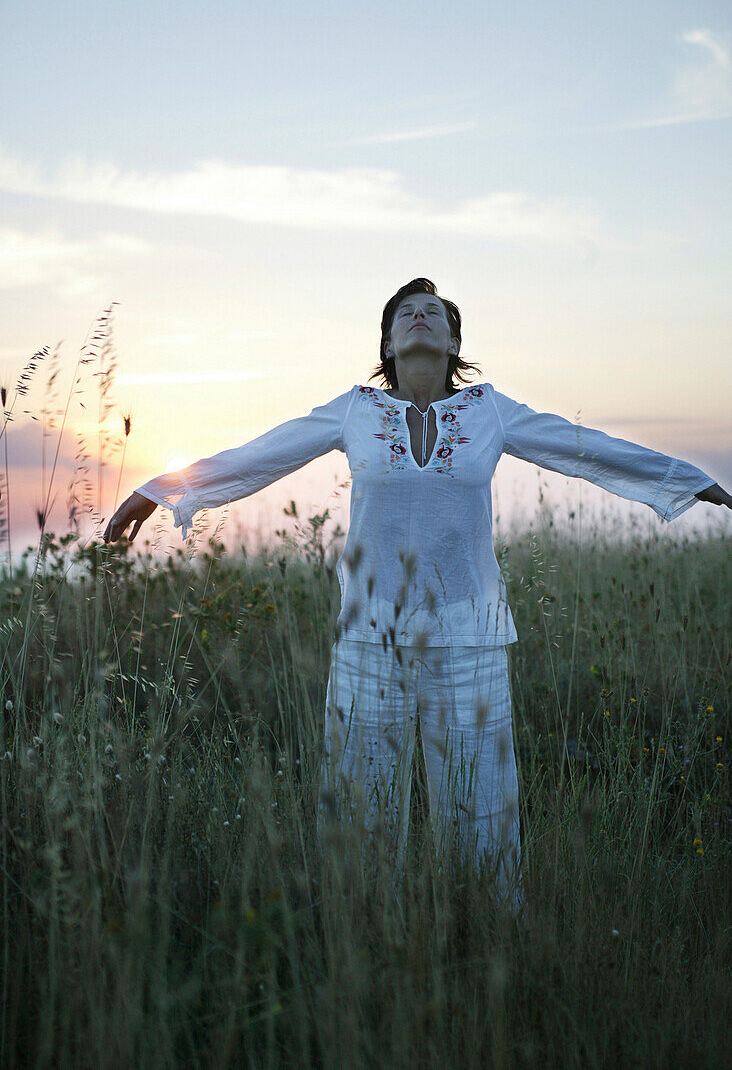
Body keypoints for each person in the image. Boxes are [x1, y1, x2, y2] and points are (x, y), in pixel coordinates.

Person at [103, 277, 729, 909]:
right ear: (387, 341)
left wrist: (689, 481)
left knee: (481, 810)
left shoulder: (489, 411)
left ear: (454, 343)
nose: (420, 318)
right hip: (368, 639)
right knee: (359, 807)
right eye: (407, 313)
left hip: (470, 638)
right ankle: (365, 943)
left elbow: (583, 447)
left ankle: (484, 941)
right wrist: (160, 490)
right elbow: (266, 452)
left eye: (434, 313)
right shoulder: (357, 411)